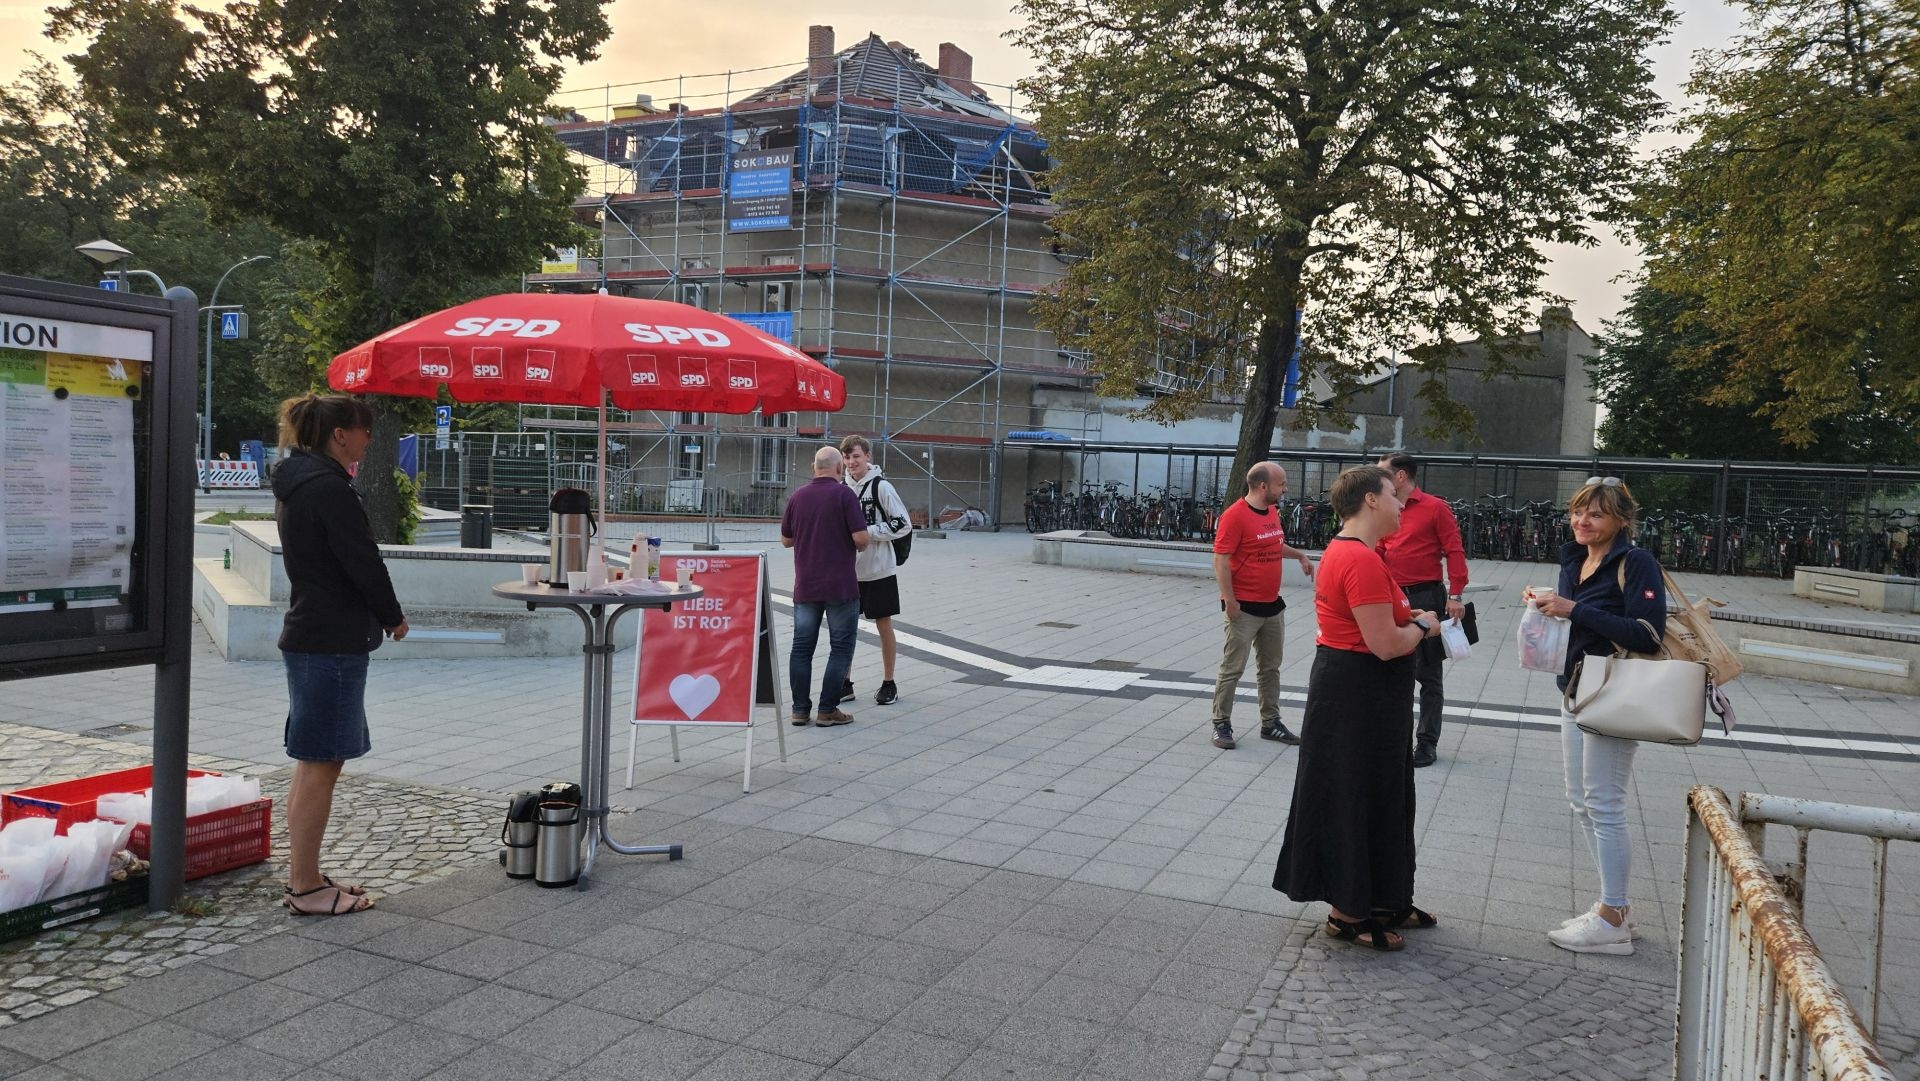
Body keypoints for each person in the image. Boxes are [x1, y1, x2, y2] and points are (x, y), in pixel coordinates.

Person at [1272, 465, 1441, 951]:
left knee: (1385, 794)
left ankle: (1386, 898)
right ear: (1370, 500)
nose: (1400, 502)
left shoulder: (1357, 552)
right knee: (1354, 795)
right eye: (1393, 494)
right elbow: (1386, 644)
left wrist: (1411, 617)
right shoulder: (1359, 558)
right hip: (1356, 694)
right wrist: (1424, 627)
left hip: (1363, 692)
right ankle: (1348, 913)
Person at [271, 394, 407, 916]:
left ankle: (303, 874)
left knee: (313, 762)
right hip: (330, 641)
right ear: (340, 436)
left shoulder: (298, 483)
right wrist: (392, 615)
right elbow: (362, 562)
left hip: (312, 634)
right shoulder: (329, 490)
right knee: (322, 763)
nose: (369, 439)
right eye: (364, 430)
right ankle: (304, 887)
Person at [1529, 476, 1664, 955]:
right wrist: (1551, 609)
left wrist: (1574, 610)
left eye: (1596, 514)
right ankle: (1614, 906)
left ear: (1622, 521)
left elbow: (1647, 633)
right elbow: (1574, 617)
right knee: (1581, 801)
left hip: (1614, 694)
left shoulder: (1636, 562)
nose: (1583, 521)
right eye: (1578, 511)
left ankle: (1612, 920)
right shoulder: (1575, 558)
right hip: (1574, 688)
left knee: (1604, 803)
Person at [1208, 462, 1314, 749]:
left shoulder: (1271, 512)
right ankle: (1221, 723)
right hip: (1243, 607)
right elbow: (1221, 559)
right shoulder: (1235, 516)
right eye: (1281, 484)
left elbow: (1271, 544)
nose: (1285, 489)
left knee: (1270, 669)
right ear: (1262, 486)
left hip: (1272, 606)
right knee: (1232, 669)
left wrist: (1299, 555)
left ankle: (1271, 724)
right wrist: (1229, 600)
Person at [1375, 451, 1467, 768]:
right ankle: (1392, 737)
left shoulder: (1434, 508)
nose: (1379, 477)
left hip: (1428, 597)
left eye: (1383, 472)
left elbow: (1454, 550)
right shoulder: (1386, 508)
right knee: (1389, 666)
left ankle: (1426, 743)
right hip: (1392, 597)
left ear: (1401, 476)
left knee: (1429, 676)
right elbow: (1377, 549)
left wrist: (1455, 594)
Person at [781, 446, 870, 727]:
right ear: (838, 468)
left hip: (806, 585)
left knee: (801, 648)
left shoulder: (797, 497)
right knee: (841, 647)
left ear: (813, 467)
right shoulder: (845, 495)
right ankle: (827, 709)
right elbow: (862, 539)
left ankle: (799, 709)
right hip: (840, 586)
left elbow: (786, 540)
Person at [839, 435, 913, 706]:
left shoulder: (882, 487)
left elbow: (903, 523)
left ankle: (889, 682)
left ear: (868, 456)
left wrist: (868, 532)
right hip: (850, 572)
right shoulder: (842, 488)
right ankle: (844, 682)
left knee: (884, 626)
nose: (851, 462)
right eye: (847, 458)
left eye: (856, 456)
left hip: (880, 570)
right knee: (846, 627)